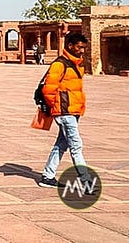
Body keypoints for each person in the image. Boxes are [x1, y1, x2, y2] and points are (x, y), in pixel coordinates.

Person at [39, 32, 90, 188]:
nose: (82, 51)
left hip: (73, 110)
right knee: (76, 145)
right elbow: (48, 90)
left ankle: (48, 176)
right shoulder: (59, 65)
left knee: (61, 144)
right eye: (79, 47)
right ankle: (86, 180)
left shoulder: (76, 64)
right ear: (70, 46)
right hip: (64, 111)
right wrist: (56, 107)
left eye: (83, 48)